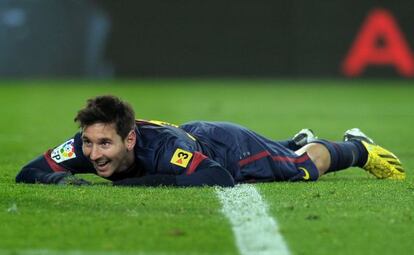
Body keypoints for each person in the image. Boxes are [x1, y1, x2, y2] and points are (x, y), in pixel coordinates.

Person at [15, 95, 405, 187]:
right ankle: (293, 139)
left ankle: (355, 147)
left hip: (228, 149)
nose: (93, 154)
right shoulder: (85, 144)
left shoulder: (164, 151)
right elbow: (29, 171)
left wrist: (129, 185)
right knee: (289, 152)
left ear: (130, 138)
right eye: (88, 143)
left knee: (299, 168)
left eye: (104, 145)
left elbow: (217, 178)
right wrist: (62, 178)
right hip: (195, 134)